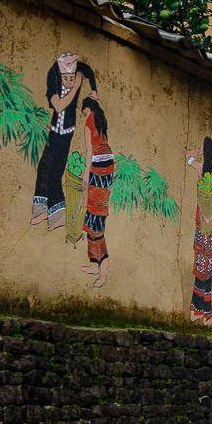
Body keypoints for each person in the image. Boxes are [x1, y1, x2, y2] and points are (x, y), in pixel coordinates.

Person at [31, 53, 94, 228]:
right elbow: (59, 106)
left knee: (54, 172)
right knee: (45, 168)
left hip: (65, 134)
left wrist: (93, 89)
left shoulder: (73, 83)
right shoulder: (54, 88)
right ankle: (49, 212)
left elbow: (87, 70)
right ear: (60, 76)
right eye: (65, 78)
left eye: (72, 78)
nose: (69, 81)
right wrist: (76, 87)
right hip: (55, 132)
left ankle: (52, 214)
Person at [79, 96, 115, 286]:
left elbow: (89, 151)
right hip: (108, 168)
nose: (83, 114)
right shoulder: (100, 119)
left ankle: (103, 269)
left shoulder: (88, 122)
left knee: (95, 220)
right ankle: (94, 262)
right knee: (93, 216)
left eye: (83, 110)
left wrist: (86, 173)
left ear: (86, 109)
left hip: (97, 170)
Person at [187, 135, 212, 323]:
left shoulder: (200, 168)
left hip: (201, 227)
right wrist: (210, 215)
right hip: (209, 227)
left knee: (201, 268)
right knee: (206, 270)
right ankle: (204, 313)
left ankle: (197, 310)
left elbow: (188, 158)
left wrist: (198, 152)